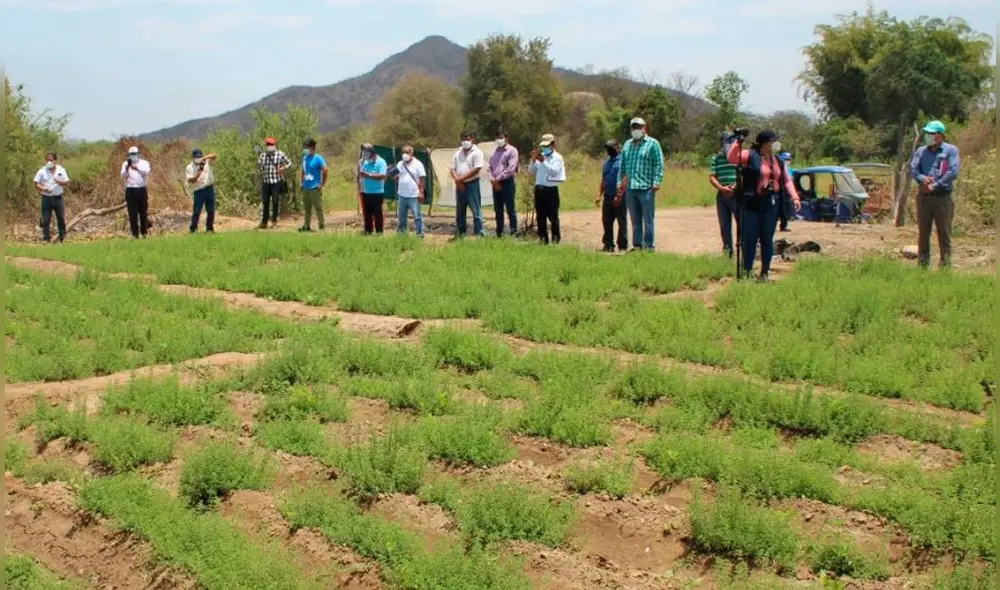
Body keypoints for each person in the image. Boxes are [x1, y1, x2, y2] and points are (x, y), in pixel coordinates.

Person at [727, 129, 801, 281]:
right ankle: (747, 271)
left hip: (770, 204)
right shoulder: (750, 155)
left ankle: (765, 272)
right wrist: (738, 142)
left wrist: (794, 196)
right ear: (765, 144)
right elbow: (733, 158)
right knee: (750, 239)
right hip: (752, 203)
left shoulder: (778, 160)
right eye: (774, 141)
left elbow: (787, 180)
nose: (776, 144)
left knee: (767, 239)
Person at [909, 120, 960, 269]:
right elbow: (913, 169)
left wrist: (935, 185)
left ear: (940, 135)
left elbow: (952, 172)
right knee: (923, 233)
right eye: (927, 133)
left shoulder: (951, 150)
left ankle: (945, 266)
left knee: (944, 233)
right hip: (924, 198)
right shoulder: (921, 151)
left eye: (932, 133)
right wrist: (922, 178)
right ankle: (923, 265)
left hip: (942, 198)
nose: (928, 136)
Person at [617, 117, 664, 251]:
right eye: (634, 127)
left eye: (638, 127)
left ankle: (649, 246)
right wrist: (620, 183)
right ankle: (637, 245)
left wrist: (657, 181)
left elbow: (659, 164)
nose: (636, 130)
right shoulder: (627, 145)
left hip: (647, 188)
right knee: (634, 219)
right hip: (631, 188)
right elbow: (622, 166)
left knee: (648, 219)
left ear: (644, 128)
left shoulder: (652, 143)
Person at [529, 133, 566, 245]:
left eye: (547, 146)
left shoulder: (557, 158)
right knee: (540, 216)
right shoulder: (540, 157)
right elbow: (531, 171)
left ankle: (556, 239)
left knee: (553, 216)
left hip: (551, 190)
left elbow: (554, 171)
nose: (544, 148)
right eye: (543, 146)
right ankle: (542, 238)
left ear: (552, 145)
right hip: (539, 189)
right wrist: (533, 160)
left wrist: (543, 161)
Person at [708, 134, 739, 257]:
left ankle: (743, 249)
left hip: (737, 194)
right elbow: (712, 177)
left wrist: (735, 186)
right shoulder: (716, 158)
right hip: (722, 195)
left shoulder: (739, 158)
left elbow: (744, 174)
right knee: (724, 225)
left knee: (741, 223)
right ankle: (728, 252)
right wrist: (722, 188)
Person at [451, 131, 486, 238]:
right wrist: (458, 181)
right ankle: (460, 232)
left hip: (472, 184)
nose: (465, 141)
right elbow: (452, 169)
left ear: (472, 140)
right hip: (460, 185)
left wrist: (461, 179)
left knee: (476, 209)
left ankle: (479, 233)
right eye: (463, 139)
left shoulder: (477, 152)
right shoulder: (457, 153)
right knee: (460, 210)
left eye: (468, 139)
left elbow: (477, 168)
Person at [597, 139, 627, 252]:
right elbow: (604, 180)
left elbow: (625, 178)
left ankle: (622, 246)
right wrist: (599, 195)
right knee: (606, 221)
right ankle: (608, 245)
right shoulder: (607, 164)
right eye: (607, 148)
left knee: (621, 222)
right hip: (608, 197)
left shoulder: (623, 162)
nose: (609, 150)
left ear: (617, 148)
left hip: (620, 197)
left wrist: (619, 194)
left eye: (611, 148)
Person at [34, 152, 70, 243]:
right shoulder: (42, 171)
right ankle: (46, 239)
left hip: (58, 198)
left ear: (55, 160)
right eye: (47, 160)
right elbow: (36, 183)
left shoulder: (61, 170)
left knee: (61, 218)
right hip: (46, 198)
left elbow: (67, 182)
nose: (49, 162)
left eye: (51, 160)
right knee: (45, 220)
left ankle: (62, 238)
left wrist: (58, 181)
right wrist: (44, 189)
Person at [489, 129, 519, 237]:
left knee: (510, 208)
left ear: (507, 138)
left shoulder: (512, 151)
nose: (499, 140)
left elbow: (511, 168)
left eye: (501, 138)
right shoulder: (493, 152)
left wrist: (498, 179)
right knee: (498, 209)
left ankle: (514, 232)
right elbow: (489, 168)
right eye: (497, 138)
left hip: (507, 182)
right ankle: (499, 232)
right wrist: (492, 179)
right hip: (495, 183)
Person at [257, 137, 292, 229]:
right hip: (266, 182)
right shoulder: (263, 156)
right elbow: (260, 168)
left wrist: (283, 168)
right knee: (265, 202)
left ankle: (274, 222)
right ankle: (264, 222)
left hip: (276, 182)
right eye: (268, 144)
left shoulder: (280, 154)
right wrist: (260, 167)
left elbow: (289, 163)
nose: (269, 146)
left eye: (271, 144)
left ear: (274, 145)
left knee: (275, 202)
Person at [394, 144, 427, 237]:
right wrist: (391, 173)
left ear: (412, 153)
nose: (405, 154)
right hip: (402, 195)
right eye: (403, 152)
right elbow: (396, 176)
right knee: (402, 216)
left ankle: (419, 233)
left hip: (414, 195)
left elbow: (422, 178)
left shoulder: (418, 164)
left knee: (417, 216)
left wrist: (421, 192)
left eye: (407, 152)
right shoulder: (400, 164)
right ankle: (402, 233)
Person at [120, 146, 152, 239]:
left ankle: (144, 233)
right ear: (129, 155)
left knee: (143, 212)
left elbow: (147, 172)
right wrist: (127, 168)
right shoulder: (125, 163)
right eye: (131, 154)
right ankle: (135, 234)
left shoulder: (144, 163)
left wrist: (136, 168)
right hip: (130, 189)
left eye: (134, 154)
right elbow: (123, 175)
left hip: (141, 189)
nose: (133, 156)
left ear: (138, 154)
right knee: (132, 213)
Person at [185, 148, 218, 233]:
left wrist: (205, 157)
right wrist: (197, 176)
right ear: (193, 157)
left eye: (199, 156)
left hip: (209, 188)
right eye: (196, 157)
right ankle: (193, 229)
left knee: (211, 210)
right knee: (197, 211)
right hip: (198, 190)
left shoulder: (206, 162)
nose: (198, 158)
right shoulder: (189, 167)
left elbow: (214, 155)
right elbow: (190, 180)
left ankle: (209, 228)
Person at [358, 143, 388, 234]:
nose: (364, 154)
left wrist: (369, 175)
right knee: (367, 214)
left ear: (372, 152)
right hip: (366, 192)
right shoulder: (366, 162)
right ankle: (368, 231)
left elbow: (382, 175)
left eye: (366, 152)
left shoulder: (381, 162)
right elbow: (362, 173)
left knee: (377, 213)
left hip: (377, 193)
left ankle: (379, 231)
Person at [300, 138, 329, 232]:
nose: (305, 149)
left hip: (315, 187)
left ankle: (321, 226)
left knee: (318, 208)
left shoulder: (318, 158)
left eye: (307, 147)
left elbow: (325, 170)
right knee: (307, 208)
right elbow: (303, 171)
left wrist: (322, 184)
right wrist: (301, 182)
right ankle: (306, 226)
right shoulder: (305, 158)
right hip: (306, 187)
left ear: (312, 147)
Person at [777, 151, 793, 232]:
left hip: (786, 191)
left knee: (785, 208)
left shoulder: (788, 169)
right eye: (785, 159)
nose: (787, 161)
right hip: (779, 190)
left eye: (788, 159)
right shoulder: (779, 166)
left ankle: (784, 224)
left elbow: (789, 180)